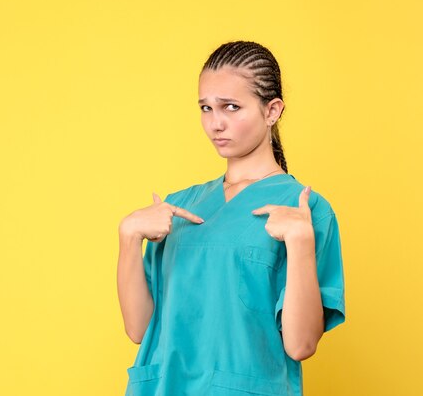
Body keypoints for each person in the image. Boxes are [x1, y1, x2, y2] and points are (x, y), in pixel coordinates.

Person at [116, 40, 346, 396]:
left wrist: (300, 243)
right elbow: (140, 329)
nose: (215, 123)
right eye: (206, 108)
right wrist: (128, 237)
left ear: (272, 111)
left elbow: (300, 346)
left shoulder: (305, 210)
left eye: (231, 107)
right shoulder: (178, 207)